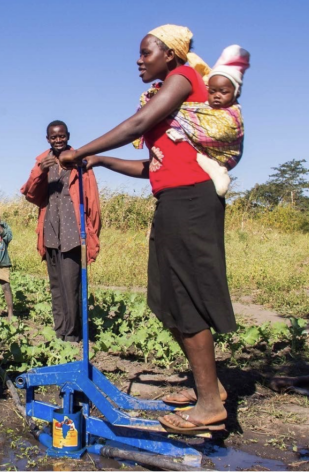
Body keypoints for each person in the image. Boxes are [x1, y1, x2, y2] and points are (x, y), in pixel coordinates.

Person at [60, 25, 236, 432]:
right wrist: (101, 163)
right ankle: (210, 387)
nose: (139, 60)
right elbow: (151, 167)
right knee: (166, 298)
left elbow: (136, 126)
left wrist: (81, 150)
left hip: (192, 200)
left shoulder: (182, 79)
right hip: (173, 198)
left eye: (146, 52)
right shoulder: (169, 96)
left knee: (186, 294)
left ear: (170, 54)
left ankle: (209, 404)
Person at [134, 44, 251, 196]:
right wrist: (102, 160)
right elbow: (156, 165)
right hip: (170, 194)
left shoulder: (186, 80)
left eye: (146, 53)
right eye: (213, 91)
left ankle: (218, 171)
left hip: (193, 193)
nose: (217, 96)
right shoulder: (186, 109)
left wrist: (151, 114)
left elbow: (137, 124)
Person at [21, 120, 101, 342]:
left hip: (73, 232)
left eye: (61, 136)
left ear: (68, 136)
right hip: (50, 231)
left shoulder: (78, 160)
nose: (58, 140)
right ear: (47, 139)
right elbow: (30, 194)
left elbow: (92, 199)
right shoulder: (42, 161)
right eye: (53, 137)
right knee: (56, 284)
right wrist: (40, 171)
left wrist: (93, 231)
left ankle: (74, 333)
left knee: (72, 283)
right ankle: (61, 332)